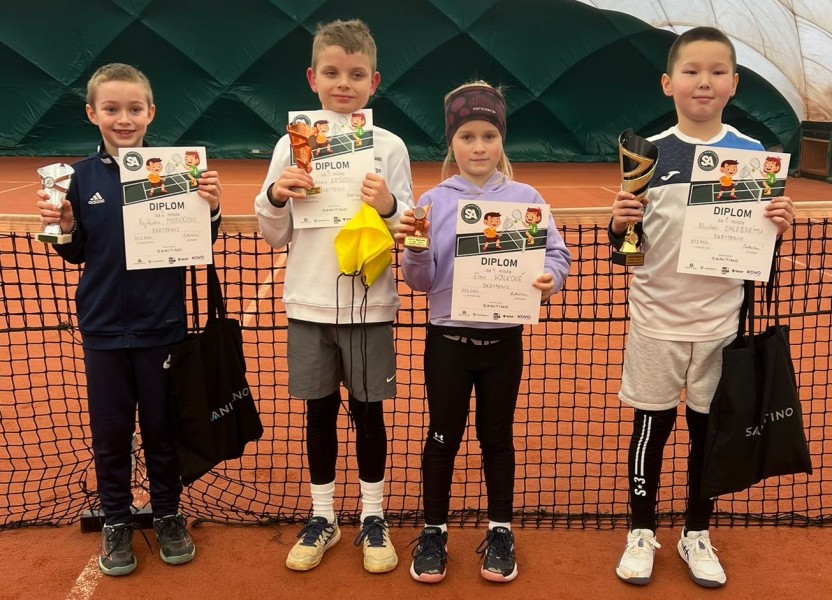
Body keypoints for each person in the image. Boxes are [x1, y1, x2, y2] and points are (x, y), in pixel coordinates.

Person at [608, 27, 795, 588]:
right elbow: (629, 253)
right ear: (668, 83)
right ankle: (641, 530)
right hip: (655, 323)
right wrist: (619, 227)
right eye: (691, 71)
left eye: (717, 72)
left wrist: (778, 228)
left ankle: (696, 532)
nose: (704, 81)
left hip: (720, 326)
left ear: (734, 84)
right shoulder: (647, 153)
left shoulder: (753, 155)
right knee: (651, 429)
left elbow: (757, 254)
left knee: (708, 436)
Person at [35, 63, 223, 576]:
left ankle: (167, 514)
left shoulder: (177, 171)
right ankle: (116, 519)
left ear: (151, 113)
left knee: (161, 431)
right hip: (102, 329)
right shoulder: (78, 178)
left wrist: (209, 208)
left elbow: (200, 242)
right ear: (92, 113)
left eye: (134, 108)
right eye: (112, 108)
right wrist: (64, 226)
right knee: (111, 434)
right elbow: (74, 252)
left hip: (163, 327)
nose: (124, 118)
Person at [254, 19, 413, 574]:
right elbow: (274, 234)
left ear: (374, 81)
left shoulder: (390, 146)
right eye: (332, 72)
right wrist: (277, 195)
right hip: (308, 303)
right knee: (319, 415)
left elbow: (406, 227)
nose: (343, 83)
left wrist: (388, 204)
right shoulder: (290, 144)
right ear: (312, 78)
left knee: (369, 415)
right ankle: (322, 516)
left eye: (356, 74)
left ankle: (373, 516)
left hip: (370, 305)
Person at [395, 81, 571, 584]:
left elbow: (557, 255)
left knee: (497, 438)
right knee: (442, 438)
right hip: (447, 345)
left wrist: (549, 278)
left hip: (503, 345)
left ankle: (499, 531)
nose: (478, 147)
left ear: (501, 140)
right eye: (467, 136)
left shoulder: (526, 198)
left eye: (488, 136)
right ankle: (433, 531)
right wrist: (414, 251)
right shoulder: (432, 201)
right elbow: (421, 281)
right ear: (451, 141)